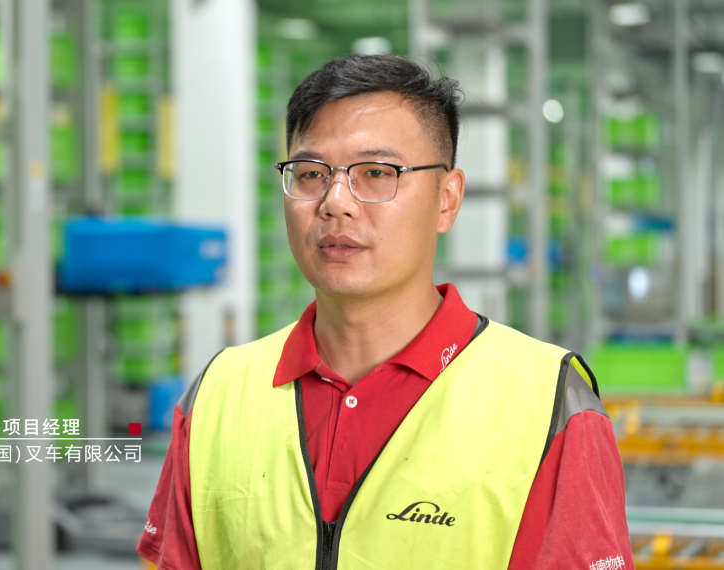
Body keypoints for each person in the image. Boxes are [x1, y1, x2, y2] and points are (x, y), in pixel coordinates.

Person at [138, 54, 632, 570]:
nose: (335, 202)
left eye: (376, 173)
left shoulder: (547, 405)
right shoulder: (217, 395)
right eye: (310, 174)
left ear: (447, 199)